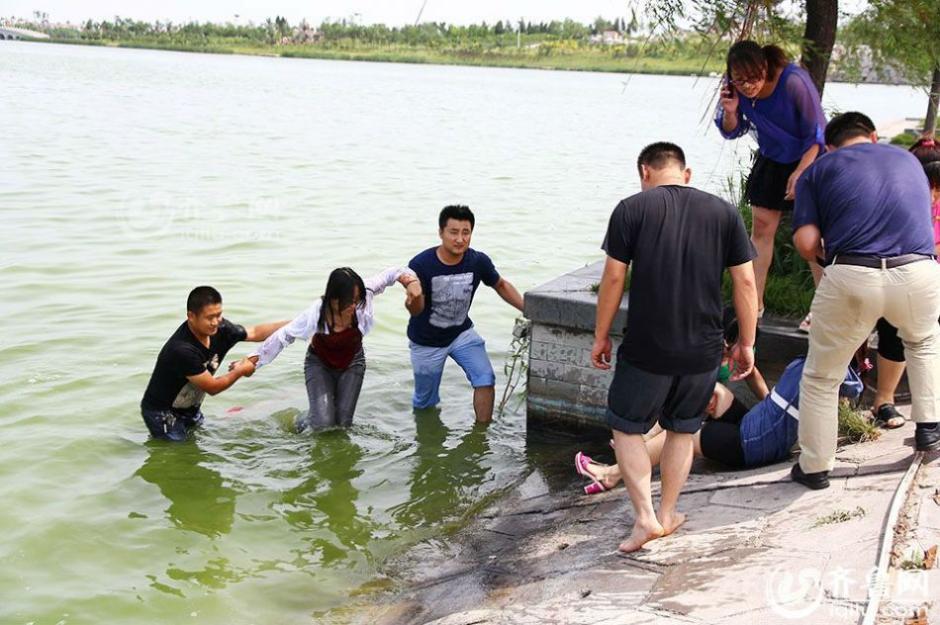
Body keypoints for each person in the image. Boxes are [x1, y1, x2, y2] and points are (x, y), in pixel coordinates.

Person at [591, 142, 758, 553]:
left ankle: (645, 519)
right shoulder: (724, 212)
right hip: (704, 349)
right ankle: (667, 515)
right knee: (683, 430)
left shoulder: (631, 209)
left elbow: (614, 278)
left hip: (648, 346)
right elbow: (746, 281)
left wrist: (601, 335)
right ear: (686, 173)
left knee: (626, 426)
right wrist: (747, 342)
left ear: (644, 172)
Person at [791, 112, 940, 490]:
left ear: (829, 147)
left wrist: (832, 257)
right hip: (918, 270)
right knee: (923, 342)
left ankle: (815, 467)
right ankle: (929, 430)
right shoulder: (908, 160)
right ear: (873, 137)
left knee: (822, 376)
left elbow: (807, 243)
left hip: (853, 273)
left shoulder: (817, 170)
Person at [575, 357, 863, 493]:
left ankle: (611, 474)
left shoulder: (830, 367)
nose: (810, 319)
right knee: (714, 392)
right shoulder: (817, 355)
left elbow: (849, 393)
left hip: (754, 443)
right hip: (756, 424)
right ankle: (642, 440)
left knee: (687, 435)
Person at [716, 40, 827, 331]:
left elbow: (817, 133)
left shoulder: (793, 81)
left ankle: (823, 309)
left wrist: (801, 172)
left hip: (809, 157)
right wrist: (731, 110)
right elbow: (732, 131)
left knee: (812, 236)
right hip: (772, 157)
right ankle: (753, 304)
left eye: (753, 78)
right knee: (761, 230)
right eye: (740, 80)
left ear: (765, 67)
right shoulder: (734, 87)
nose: (748, 86)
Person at [252, 267, 422, 431]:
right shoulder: (317, 312)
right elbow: (283, 335)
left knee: (343, 424)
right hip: (319, 364)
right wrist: (253, 361)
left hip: (353, 362)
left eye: (357, 300)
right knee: (323, 424)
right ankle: (301, 420)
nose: (354, 306)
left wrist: (410, 282)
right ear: (333, 300)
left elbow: (392, 273)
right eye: (349, 302)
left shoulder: (364, 294)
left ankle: (320, 414)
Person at [406, 205, 525, 424]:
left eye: (466, 232)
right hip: (426, 341)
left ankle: (482, 433)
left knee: (485, 378)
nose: (460, 239)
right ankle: (426, 439)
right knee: (425, 401)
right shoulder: (420, 264)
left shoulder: (478, 261)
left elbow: (500, 285)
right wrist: (413, 300)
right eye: (453, 232)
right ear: (441, 232)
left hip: (461, 334)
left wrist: (528, 309)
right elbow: (416, 311)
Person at [140, 286, 288, 441]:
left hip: (190, 407)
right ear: (191, 316)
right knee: (178, 451)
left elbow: (255, 332)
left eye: (219, 315)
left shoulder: (221, 329)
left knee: (196, 438)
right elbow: (212, 387)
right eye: (210, 317)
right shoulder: (182, 350)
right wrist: (240, 371)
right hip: (162, 413)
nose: (216, 322)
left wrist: (295, 325)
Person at [871, 145, 940, 428]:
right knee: (894, 330)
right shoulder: (900, 204)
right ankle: (883, 401)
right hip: (904, 281)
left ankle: (928, 414)